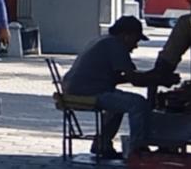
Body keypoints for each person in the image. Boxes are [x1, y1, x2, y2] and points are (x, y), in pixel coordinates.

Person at [62, 16, 178, 159]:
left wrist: (151, 77)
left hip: (77, 88)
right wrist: (159, 79)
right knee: (137, 103)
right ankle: (138, 149)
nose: (135, 46)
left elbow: (118, 77)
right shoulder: (115, 45)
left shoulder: (103, 40)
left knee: (120, 101)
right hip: (87, 91)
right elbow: (135, 80)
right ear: (126, 35)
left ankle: (102, 144)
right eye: (135, 40)